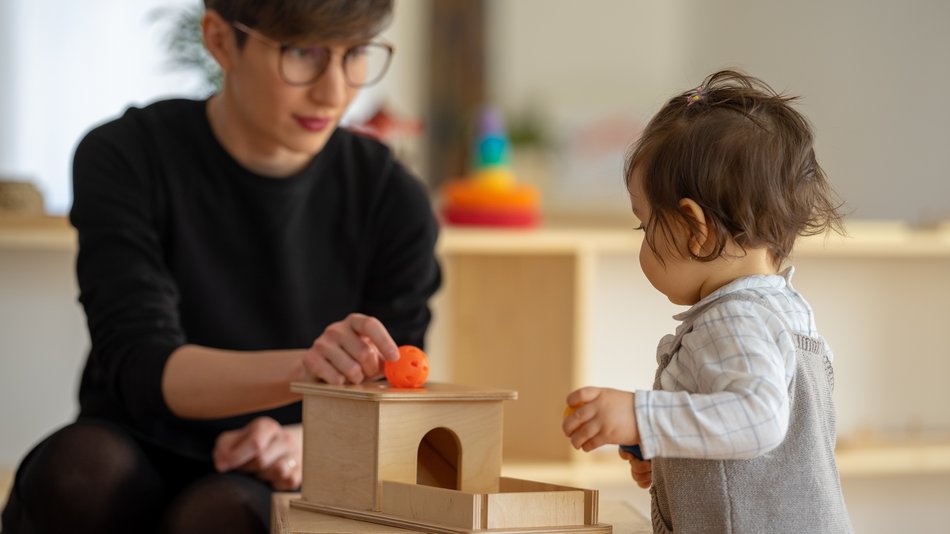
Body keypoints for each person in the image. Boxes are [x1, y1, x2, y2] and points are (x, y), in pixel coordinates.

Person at [1, 1, 441, 532]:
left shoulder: (393, 199)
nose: (334, 92)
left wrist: (302, 443)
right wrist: (306, 370)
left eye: (356, 54)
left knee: (224, 514)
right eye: (302, 53)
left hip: (279, 462)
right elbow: (141, 363)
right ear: (219, 39)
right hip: (135, 443)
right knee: (77, 473)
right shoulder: (127, 155)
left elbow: (396, 391)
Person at [562, 70, 852, 533]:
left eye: (645, 225)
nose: (643, 239)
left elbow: (759, 419)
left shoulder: (734, 319)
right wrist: (668, 452)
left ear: (694, 230)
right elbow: (767, 458)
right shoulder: (790, 312)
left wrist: (643, 417)